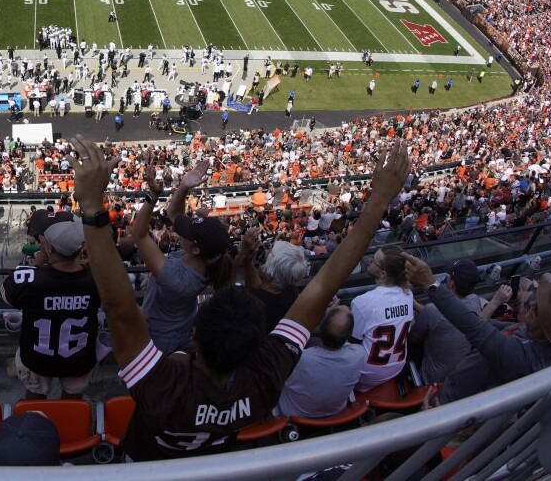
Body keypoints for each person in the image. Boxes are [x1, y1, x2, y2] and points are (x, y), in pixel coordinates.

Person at [69, 135, 409, 461]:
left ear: (195, 335)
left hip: (146, 465)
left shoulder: (162, 383)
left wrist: (90, 207)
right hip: (213, 463)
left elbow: (119, 307)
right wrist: (380, 203)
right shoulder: (261, 381)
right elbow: (322, 289)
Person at [404, 254, 551, 406]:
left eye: (541, 311)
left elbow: (475, 328)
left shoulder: (521, 356)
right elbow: (485, 324)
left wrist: (430, 283)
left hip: (448, 410)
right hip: (453, 391)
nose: (533, 305)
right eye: (541, 300)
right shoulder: (535, 333)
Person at [130, 159, 231, 352]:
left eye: (187, 232)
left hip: (160, 338)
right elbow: (174, 213)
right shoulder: (208, 259)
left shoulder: (176, 277)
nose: (180, 230)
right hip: (177, 328)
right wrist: (184, 187)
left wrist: (152, 196)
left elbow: (139, 233)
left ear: (195, 249)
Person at [1, 218, 100, 400]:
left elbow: (7, 295)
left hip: (38, 357)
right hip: (79, 357)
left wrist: (38, 262)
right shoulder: (96, 279)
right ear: (79, 250)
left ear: (50, 249)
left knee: (35, 397)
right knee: (73, 401)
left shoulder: (30, 280)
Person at [276, 304, 366, 419]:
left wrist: (322, 315)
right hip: (336, 413)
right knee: (314, 341)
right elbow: (340, 335)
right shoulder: (358, 354)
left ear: (321, 327)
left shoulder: (298, 359)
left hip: (296, 415)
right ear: (349, 334)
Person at [408, 259, 484, 385]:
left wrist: (409, 304)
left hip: (433, 382)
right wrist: (415, 305)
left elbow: (412, 338)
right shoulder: (475, 301)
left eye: (449, 276)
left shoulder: (432, 310)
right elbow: (441, 314)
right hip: (461, 377)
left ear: (452, 284)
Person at [351, 244, 414, 389]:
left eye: (373, 261)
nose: (370, 261)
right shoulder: (408, 293)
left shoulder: (362, 302)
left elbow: (352, 342)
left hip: (365, 376)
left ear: (383, 274)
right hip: (397, 367)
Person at [238, 234, 308, 332]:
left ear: (269, 275)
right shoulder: (290, 290)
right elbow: (256, 287)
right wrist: (248, 262)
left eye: (262, 259)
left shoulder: (249, 304)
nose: (261, 265)